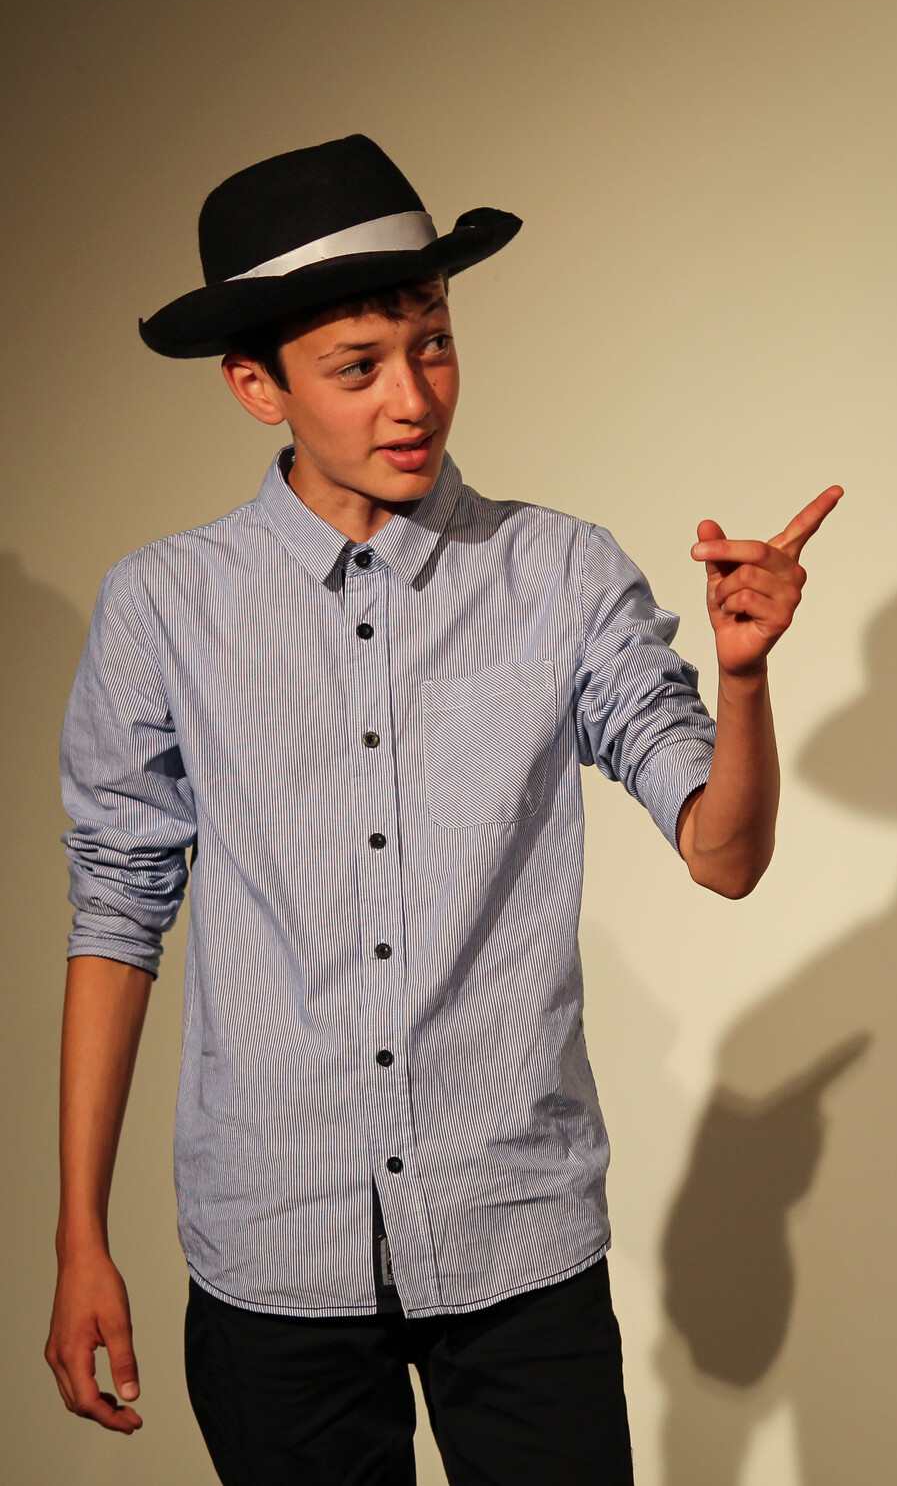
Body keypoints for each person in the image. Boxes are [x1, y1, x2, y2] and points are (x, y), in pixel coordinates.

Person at [44, 133, 841, 1484]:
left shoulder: (560, 574)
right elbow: (117, 919)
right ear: (257, 384)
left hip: (515, 1241)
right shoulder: (164, 607)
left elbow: (724, 854)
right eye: (358, 366)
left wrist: (745, 679)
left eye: (435, 344)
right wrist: (80, 1239)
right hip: (272, 1247)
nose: (414, 397)